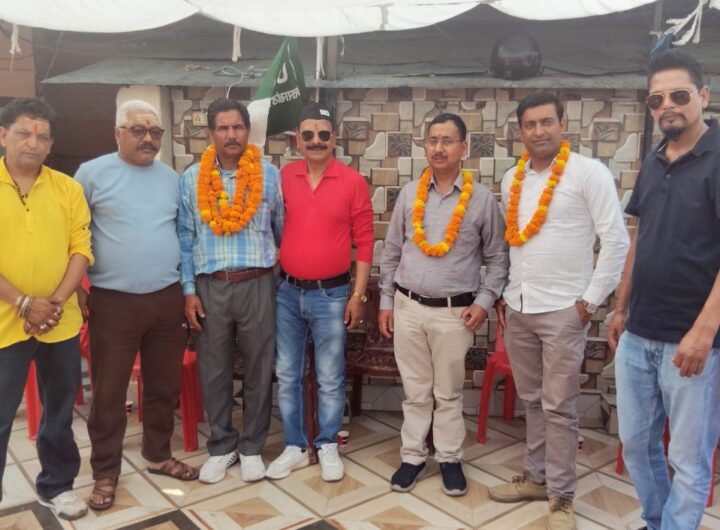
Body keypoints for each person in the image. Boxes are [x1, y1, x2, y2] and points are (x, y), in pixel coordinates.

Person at [488, 92, 629, 530]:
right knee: (532, 401)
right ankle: (536, 479)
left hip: (565, 310)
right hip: (520, 307)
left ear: (563, 124)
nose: (538, 131)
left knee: (560, 408)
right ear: (520, 131)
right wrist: (505, 297)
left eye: (546, 122)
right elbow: (514, 243)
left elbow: (616, 240)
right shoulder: (512, 179)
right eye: (529, 124)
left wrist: (589, 302)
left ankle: (562, 496)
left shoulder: (589, 173)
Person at [608, 50, 720, 530]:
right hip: (639, 332)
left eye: (678, 95)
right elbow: (641, 236)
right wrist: (620, 307)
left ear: (703, 95)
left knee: (689, 460)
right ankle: (658, 523)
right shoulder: (655, 160)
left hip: (692, 342)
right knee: (636, 445)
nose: (667, 105)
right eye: (657, 99)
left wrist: (704, 332)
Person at [75, 100, 197, 511]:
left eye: (155, 131)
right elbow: (73, 234)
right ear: (117, 133)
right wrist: (77, 291)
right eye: (138, 130)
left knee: (163, 386)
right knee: (109, 392)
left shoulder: (170, 178)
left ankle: (158, 454)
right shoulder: (91, 174)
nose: (148, 138)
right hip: (113, 302)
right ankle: (105, 471)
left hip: (165, 299)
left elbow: (181, 234)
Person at [378, 113, 508, 496]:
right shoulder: (409, 194)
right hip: (408, 307)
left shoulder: (482, 200)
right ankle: (413, 456)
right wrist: (385, 301)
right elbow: (391, 252)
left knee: (448, 392)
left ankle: (450, 458)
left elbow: (498, 259)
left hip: (455, 313)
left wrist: (484, 302)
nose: (438, 147)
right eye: (432, 140)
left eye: (447, 140)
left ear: (463, 147)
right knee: (416, 390)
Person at [265, 102, 374, 482]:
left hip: (332, 295)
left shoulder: (352, 181)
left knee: (329, 376)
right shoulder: (283, 177)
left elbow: (365, 241)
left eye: (323, 134)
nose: (316, 141)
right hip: (287, 292)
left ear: (334, 139)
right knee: (288, 373)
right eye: (308, 134)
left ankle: (327, 443)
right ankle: (295, 446)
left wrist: (357, 296)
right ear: (297, 139)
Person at [179, 98, 284, 484]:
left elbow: (280, 229)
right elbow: (185, 237)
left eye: (238, 127)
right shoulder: (192, 178)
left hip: (257, 283)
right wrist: (188, 290)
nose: (231, 135)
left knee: (259, 367)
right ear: (210, 134)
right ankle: (222, 446)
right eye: (222, 128)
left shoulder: (269, 175)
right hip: (210, 287)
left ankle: (253, 446)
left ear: (247, 131)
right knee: (214, 370)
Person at [0, 98, 92, 520]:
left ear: (51, 144)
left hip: (60, 321)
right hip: (4, 323)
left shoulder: (67, 189)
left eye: (42, 136)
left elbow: (81, 249)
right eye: (23, 133)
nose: (33, 143)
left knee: (59, 411)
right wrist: (23, 303)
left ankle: (57, 486)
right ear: (3, 135)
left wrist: (52, 303)